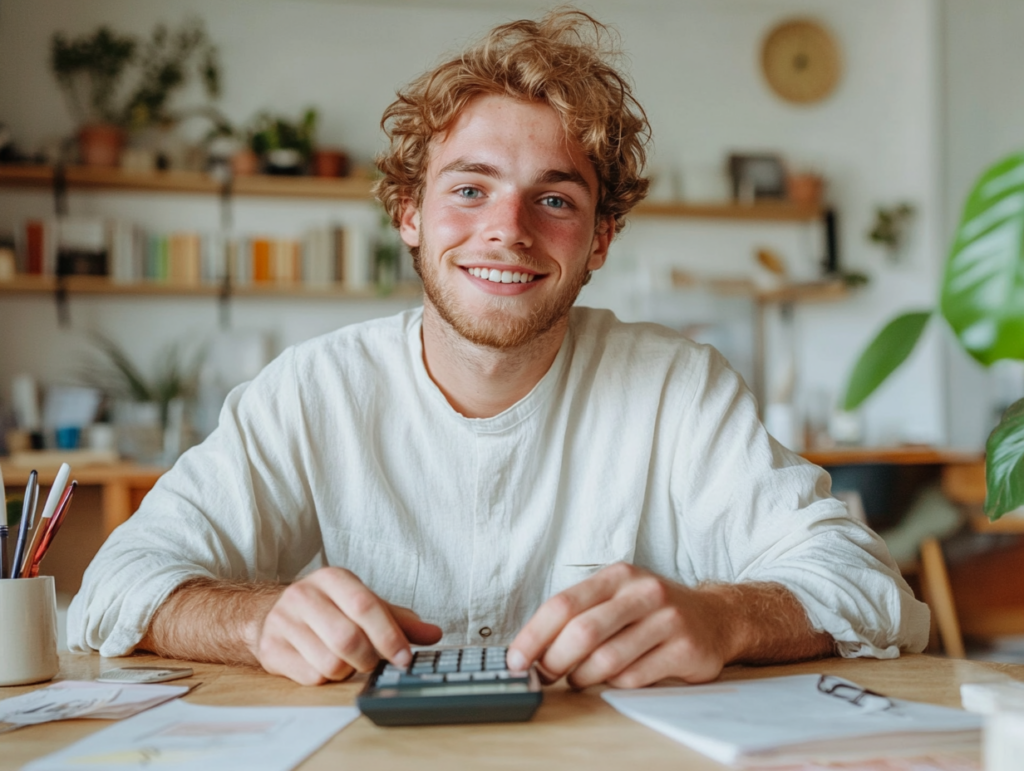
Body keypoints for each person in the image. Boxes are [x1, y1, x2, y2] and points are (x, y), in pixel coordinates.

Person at [69, 10, 928, 689]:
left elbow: (869, 586)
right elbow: (114, 587)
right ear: (408, 213)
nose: (506, 231)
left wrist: (722, 616)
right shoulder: (311, 390)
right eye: (470, 188)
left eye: (553, 199)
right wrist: (257, 620)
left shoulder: (677, 387)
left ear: (600, 239)